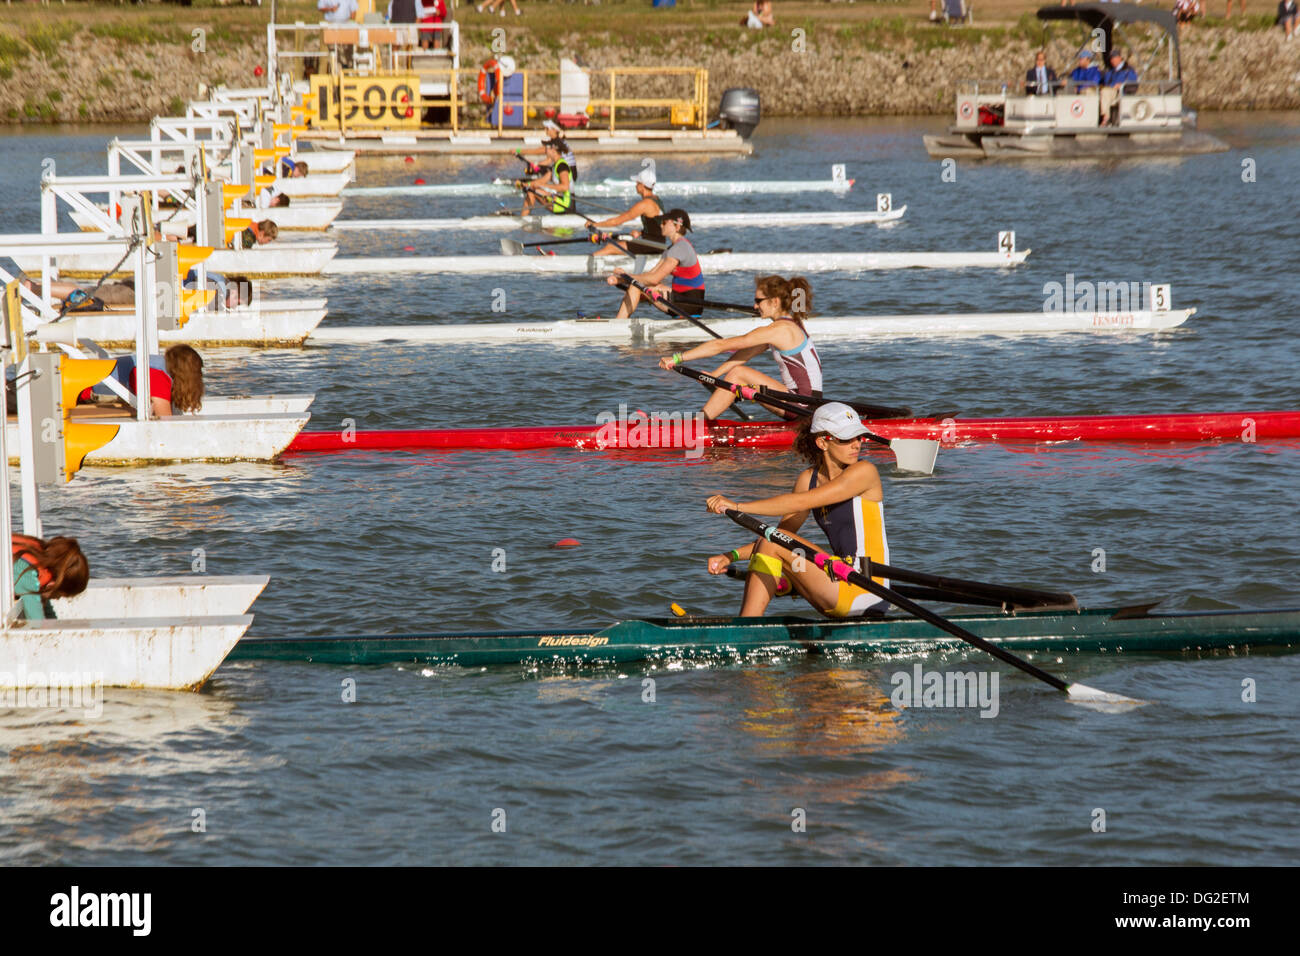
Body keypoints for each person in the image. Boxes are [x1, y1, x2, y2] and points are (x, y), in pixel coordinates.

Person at [703, 402, 890, 620]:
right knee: (773, 540)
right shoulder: (808, 480)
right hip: (836, 579)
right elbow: (778, 539)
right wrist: (731, 556)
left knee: (773, 540)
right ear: (823, 443)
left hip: (866, 588)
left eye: (858, 437)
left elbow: (797, 503)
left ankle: (746, 626)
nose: (856, 444)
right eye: (846, 438)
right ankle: (749, 623)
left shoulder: (865, 472)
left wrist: (736, 506)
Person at [658, 275, 820, 420]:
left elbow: (720, 345)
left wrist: (677, 358)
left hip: (802, 405)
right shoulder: (788, 326)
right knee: (738, 375)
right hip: (805, 402)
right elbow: (744, 355)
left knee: (738, 374)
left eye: (758, 301)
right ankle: (700, 422)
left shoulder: (780, 330)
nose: (755, 306)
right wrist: (714, 376)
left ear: (775, 301)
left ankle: (698, 425)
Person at [605, 209, 703, 320]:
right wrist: (625, 279)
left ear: (677, 227)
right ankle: (621, 321)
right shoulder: (671, 249)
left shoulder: (680, 248)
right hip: (681, 299)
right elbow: (651, 274)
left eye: (665, 222)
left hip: (690, 306)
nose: (661, 225)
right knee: (638, 285)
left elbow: (654, 279)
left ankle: (618, 323)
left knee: (636, 285)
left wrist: (624, 278)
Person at [78, 344, 205, 418]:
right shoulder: (157, 375)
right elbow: (165, 420)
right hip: (82, 389)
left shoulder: (159, 364)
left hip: (86, 380)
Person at [588, 166, 665, 256]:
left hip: (651, 245)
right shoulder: (657, 199)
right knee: (619, 242)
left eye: (637, 183)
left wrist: (593, 225)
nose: (636, 185)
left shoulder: (645, 204)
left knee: (611, 247)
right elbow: (657, 225)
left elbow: (616, 222)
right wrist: (641, 233)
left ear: (642, 185)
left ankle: (587, 261)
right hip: (658, 243)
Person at [12, 534, 89, 620]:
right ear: (53, 584)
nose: (57, 598)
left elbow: (47, 609)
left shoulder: (38, 558)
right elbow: (36, 621)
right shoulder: (27, 574)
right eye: (59, 595)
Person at [520, 139, 574, 215]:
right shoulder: (555, 165)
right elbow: (541, 181)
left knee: (531, 191)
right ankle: (524, 217)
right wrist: (526, 184)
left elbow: (565, 187)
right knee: (531, 189)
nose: (545, 150)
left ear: (554, 150)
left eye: (547, 147)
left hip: (564, 204)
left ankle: (523, 218)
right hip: (557, 199)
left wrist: (542, 186)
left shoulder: (562, 166)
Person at [1099, 49, 1138, 126]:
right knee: (1101, 92)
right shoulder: (1110, 71)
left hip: (1121, 93)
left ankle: (1106, 118)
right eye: (1111, 58)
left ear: (1120, 58)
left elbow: (1133, 84)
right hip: (1110, 92)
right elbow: (1104, 81)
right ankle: (1103, 118)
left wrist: (1121, 85)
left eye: (1114, 58)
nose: (1112, 60)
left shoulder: (1128, 70)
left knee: (1105, 92)